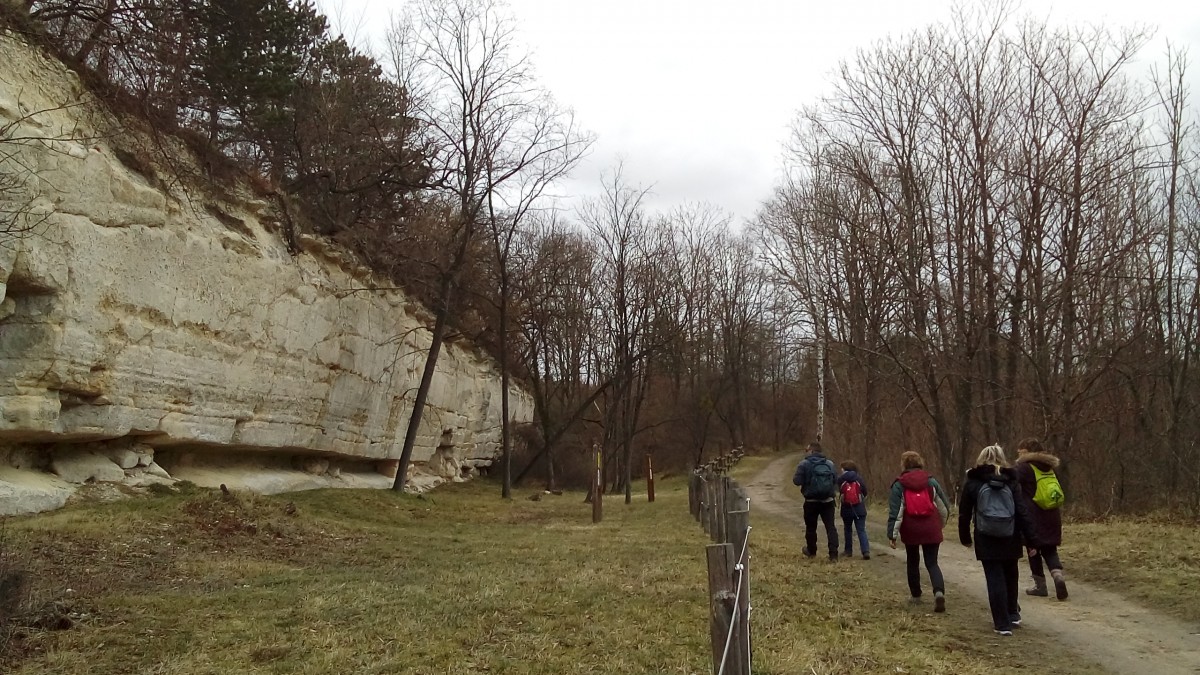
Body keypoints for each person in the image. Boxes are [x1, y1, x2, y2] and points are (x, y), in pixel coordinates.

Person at [959, 444, 1035, 636]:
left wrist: (965, 537)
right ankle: (1012, 614)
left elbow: (964, 513)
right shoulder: (1011, 481)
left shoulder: (973, 482)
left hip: (986, 536)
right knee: (1011, 575)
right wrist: (1031, 540)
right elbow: (1021, 511)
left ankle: (1001, 624)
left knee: (994, 578)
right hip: (1011, 534)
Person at [886, 451, 952, 612]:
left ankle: (916, 595)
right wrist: (940, 524)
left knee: (912, 561)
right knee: (932, 562)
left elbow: (896, 512)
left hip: (911, 528)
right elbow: (944, 507)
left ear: (904, 465)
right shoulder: (931, 482)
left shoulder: (899, 484)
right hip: (931, 526)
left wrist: (892, 535)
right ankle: (938, 592)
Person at [1014, 438, 1068, 600]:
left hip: (1033, 516)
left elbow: (1010, 481)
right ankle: (1058, 576)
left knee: (1033, 549)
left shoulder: (1024, 468)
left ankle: (1040, 585)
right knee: (1050, 548)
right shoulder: (1049, 467)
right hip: (1051, 513)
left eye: (1020, 451)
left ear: (1026, 451)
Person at [793, 441, 840, 560]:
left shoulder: (804, 464)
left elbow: (796, 481)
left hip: (811, 501)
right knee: (830, 527)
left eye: (807, 450)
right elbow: (835, 480)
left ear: (812, 451)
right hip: (828, 501)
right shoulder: (830, 464)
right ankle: (833, 554)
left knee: (811, 527)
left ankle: (812, 551)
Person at [838, 460, 870, 560]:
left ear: (845, 469)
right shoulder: (859, 478)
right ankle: (865, 551)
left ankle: (848, 551)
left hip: (846, 509)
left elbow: (838, 490)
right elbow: (865, 492)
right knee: (861, 530)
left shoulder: (841, 479)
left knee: (848, 530)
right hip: (859, 508)